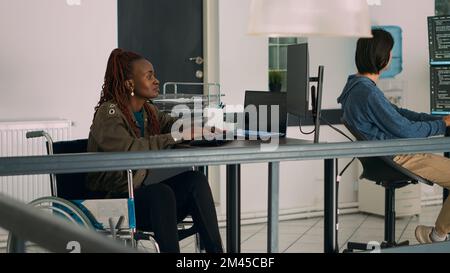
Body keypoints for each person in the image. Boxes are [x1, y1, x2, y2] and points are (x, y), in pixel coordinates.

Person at [87, 48, 223, 253]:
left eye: (154, 75)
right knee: (161, 194)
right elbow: (130, 150)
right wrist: (177, 137)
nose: (156, 80)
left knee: (195, 180)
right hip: (110, 202)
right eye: (149, 76)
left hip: (138, 197)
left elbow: (172, 124)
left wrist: (204, 127)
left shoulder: (148, 111)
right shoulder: (109, 113)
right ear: (130, 83)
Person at [338, 29, 450, 244]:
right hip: (400, 156)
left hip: (387, 155)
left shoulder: (356, 87)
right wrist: (440, 125)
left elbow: (398, 114)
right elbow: (405, 130)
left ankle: (438, 233)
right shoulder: (367, 92)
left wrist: (437, 120)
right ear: (383, 57)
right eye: (390, 51)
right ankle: (436, 236)